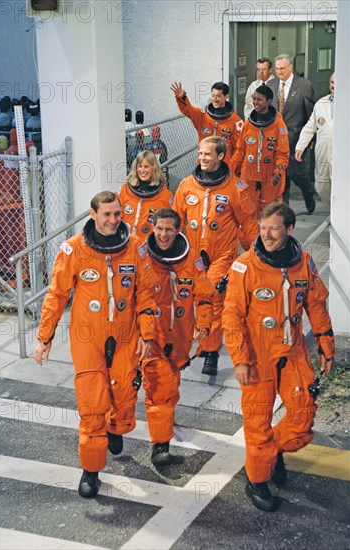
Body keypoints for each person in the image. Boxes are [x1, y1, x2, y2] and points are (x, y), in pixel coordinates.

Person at [33, 191, 157, 499]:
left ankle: (117, 426)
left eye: (118, 214)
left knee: (125, 394)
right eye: (107, 214)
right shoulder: (74, 249)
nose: (114, 220)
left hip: (126, 336)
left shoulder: (136, 248)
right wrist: (44, 337)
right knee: (91, 406)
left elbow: (146, 296)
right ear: (93, 214)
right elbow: (56, 295)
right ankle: (91, 471)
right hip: (88, 339)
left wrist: (147, 334)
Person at [222, 202, 335, 512]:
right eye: (262, 228)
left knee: (303, 416)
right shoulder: (244, 266)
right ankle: (256, 480)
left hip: (294, 352)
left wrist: (326, 343)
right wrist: (240, 359)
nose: (266, 234)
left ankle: (271, 452)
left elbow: (316, 305)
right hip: (258, 356)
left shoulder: (304, 263)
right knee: (257, 422)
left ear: (289, 229)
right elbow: (231, 316)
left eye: (273, 228)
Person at [173, 136, 259, 376]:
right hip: (191, 255)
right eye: (200, 153)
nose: (202, 158)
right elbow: (175, 220)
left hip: (222, 255)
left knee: (212, 298)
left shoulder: (235, 187)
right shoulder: (187, 184)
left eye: (207, 154)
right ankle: (195, 344)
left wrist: (257, 256)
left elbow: (249, 224)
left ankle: (210, 352)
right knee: (188, 300)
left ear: (220, 156)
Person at [143, 207, 214, 465]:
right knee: (161, 388)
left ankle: (161, 427)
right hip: (152, 336)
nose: (163, 234)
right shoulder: (142, 258)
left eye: (169, 229)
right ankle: (160, 445)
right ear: (152, 227)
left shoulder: (192, 259)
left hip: (182, 337)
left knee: (171, 385)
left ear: (178, 230)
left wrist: (204, 323)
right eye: (159, 229)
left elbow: (205, 295)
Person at [267, 54, 316, 212]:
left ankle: (308, 192)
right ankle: (284, 209)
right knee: (281, 175)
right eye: (277, 68)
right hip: (275, 140)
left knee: (296, 174)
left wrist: (311, 138)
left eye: (282, 68)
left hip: (295, 139)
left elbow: (311, 114)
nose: (279, 71)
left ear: (290, 68)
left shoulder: (304, 85)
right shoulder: (271, 84)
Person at [231, 85, 289, 214]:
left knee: (269, 209)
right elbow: (240, 150)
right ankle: (251, 233)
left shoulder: (279, 125)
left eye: (260, 99)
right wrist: (231, 169)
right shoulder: (248, 124)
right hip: (249, 172)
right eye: (254, 99)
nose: (255, 102)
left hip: (270, 174)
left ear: (268, 101)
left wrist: (278, 171)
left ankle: (266, 233)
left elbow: (282, 153)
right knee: (247, 207)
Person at [170, 81, 243, 164]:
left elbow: (238, 149)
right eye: (213, 96)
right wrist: (182, 97)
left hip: (223, 166)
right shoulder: (202, 116)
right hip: (204, 163)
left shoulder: (235, 121)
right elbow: (188, 110)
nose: (215, 99)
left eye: (218, 96)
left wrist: (232, 168)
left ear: (226, 96)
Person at [295, 72, 335, 205]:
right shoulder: (321, 103)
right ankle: (334, 209)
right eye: (331, 82)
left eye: (336, 83)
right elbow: (309, 127)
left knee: (342, 185)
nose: (333, 86)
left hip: (343, 156)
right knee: (321, 186)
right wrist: (300, 146)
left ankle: (340, 214)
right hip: (323, 153)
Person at [117, 150, 173, 239]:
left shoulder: (165, 196)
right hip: (125, 242)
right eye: (140, 166)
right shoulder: (124, 190)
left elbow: (170, 224)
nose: (142, 170)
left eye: (146, 167)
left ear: (153, 168)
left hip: (149, 245)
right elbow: (116, 215)